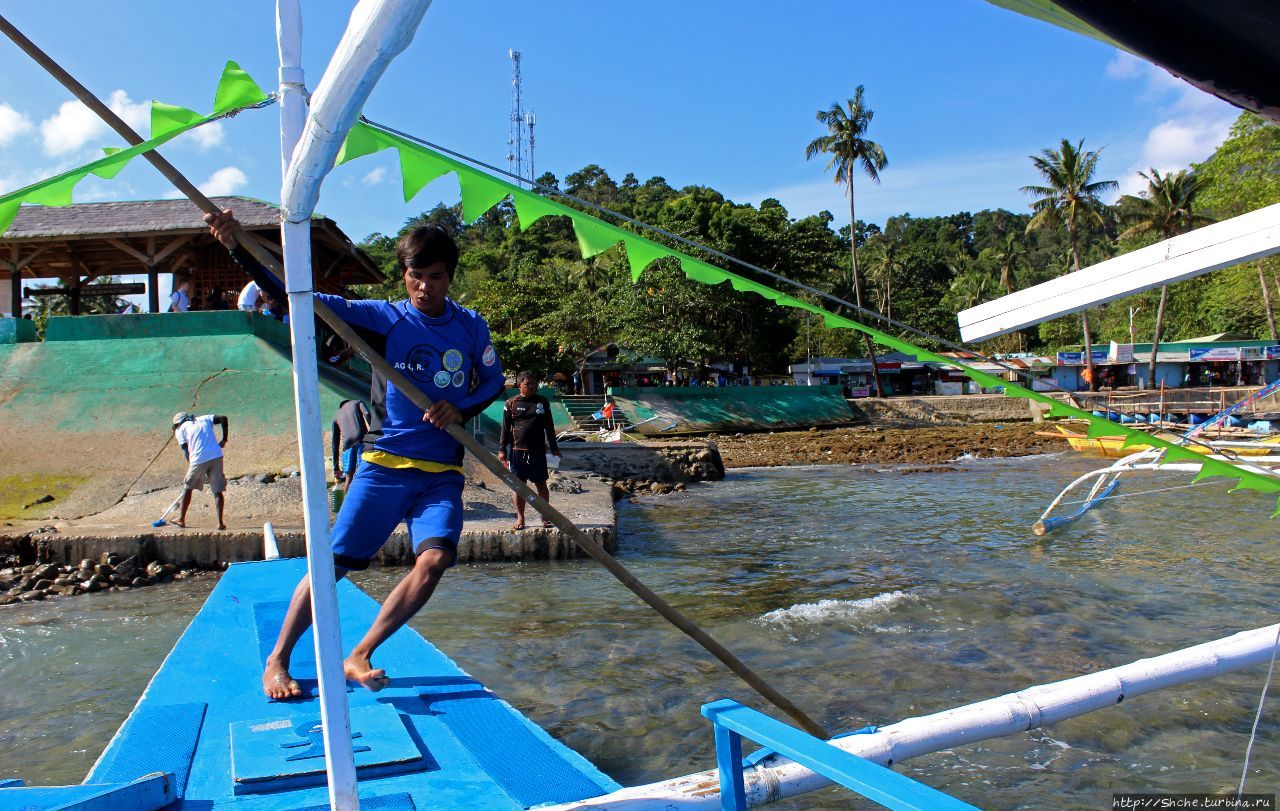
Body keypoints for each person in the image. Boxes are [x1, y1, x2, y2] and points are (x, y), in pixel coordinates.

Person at [205, 208, 505, 700]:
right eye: (416, 276)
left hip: (442, 472)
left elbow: (491, 380)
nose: (424, 287)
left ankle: (360, 652)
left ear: (449, 276)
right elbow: (295, 297)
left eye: (434, 276)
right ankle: (277, 659)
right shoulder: (384, 319)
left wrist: (462, 405)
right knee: (330, 568)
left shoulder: (471, 326)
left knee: (434, 562)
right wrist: (239, 246)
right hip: (385, 466)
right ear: (404, 276)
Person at [497, 371, 561, 530]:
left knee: (541, 485)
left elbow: (549, 426)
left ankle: (545, 516)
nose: (532, 386)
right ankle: (520, 518)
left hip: (538, 451)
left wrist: (554, 447)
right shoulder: (510, 403)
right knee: (519, 487)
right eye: (528, 384)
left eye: (534, 383)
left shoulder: (543, 402)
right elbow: (505, 429)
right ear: (519, 385)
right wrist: (502, 449)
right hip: (517, 452)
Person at [171, 411, 229, 530]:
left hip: (198, 458)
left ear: (177, 423)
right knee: (217, 491)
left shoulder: (180, 429)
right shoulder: (204, 418)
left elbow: (185, 451)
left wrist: (191, 464)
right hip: (216, 455)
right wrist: (224, 440)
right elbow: (223, 417)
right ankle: (220, 523)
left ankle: (181, 519)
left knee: (188, 488)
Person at [332, 398, 372, 493]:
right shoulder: (358, 402)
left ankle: (348, 503)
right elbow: (367, 413)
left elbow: (335, 442)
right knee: (363, 472)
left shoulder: (336, 416)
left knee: (349, 477)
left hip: (347, 447)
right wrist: (374, 431)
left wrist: (336, 467)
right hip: (361, 440)